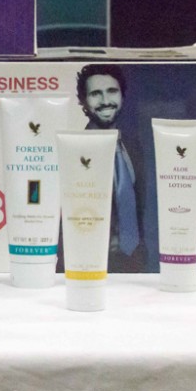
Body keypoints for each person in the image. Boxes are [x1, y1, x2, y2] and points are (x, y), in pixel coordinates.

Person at [76, 64, 145, 272]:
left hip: (134, 262)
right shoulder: (74, 149)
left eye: (112, 91)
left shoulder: (133, 146)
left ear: (122, 96)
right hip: (87, 262)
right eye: (95, 94)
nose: (105, 101)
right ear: (83, 101)